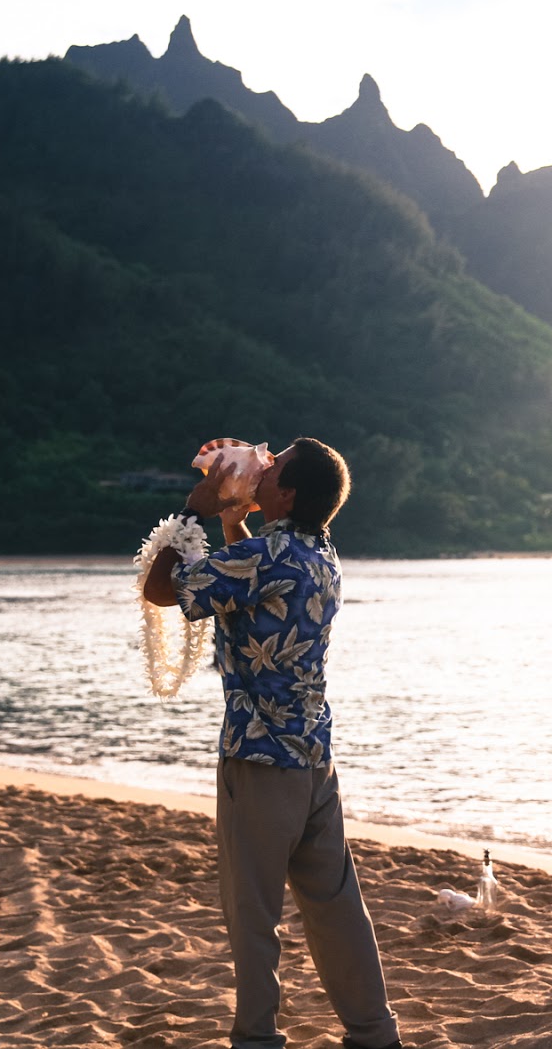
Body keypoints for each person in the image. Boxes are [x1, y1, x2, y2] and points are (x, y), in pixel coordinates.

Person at [142, 437, 403, 1049]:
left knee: (252, 915)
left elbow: (162, 590)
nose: (264, 460)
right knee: (336, 907)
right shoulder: (320, 554)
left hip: (259, 762)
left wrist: (195, 509)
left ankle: (257, 1037)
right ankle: (374, 1032)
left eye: (275, 463)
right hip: (314, 760)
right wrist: (234, 527)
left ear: (285, 493)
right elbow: (255, 594)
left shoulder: (266, 555)